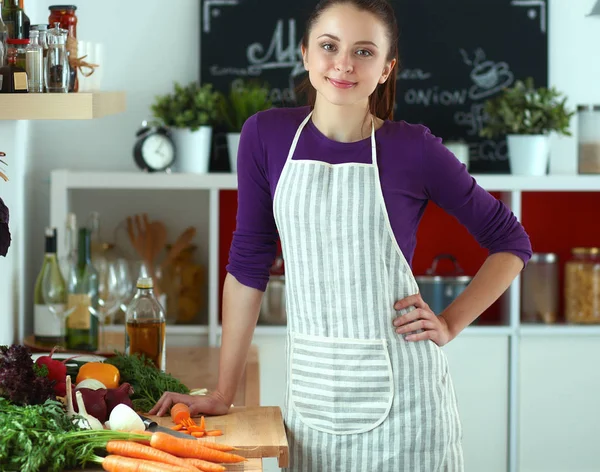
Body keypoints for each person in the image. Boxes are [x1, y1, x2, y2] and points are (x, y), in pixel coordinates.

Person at [150, 0, 532, 470]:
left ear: (388, 68)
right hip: (313, 405)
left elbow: (511, 241)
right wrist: (224, 392)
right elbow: (248, 265)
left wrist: (450, 323)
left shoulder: (414, 148)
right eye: (329, 46)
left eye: (365, 52)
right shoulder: (264, 137)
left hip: (409, 416)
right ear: (306, 53)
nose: (344, 64)